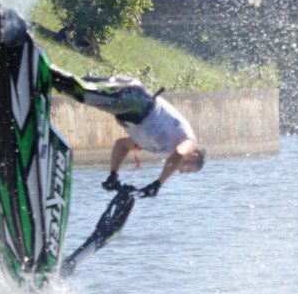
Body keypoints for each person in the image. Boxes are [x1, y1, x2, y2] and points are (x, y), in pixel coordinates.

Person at [50, 65, 205, 197]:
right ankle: (47, 68)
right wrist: (158, 184)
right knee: (84, 91)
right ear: (194, 156)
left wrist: (113, 175)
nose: (182, 172)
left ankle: (44, 78)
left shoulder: (158, 146)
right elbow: (178, 156)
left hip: (130, 105)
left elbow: (122, 145)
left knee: (77, 90)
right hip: (137, 100)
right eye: (188, 170)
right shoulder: (189, 142)